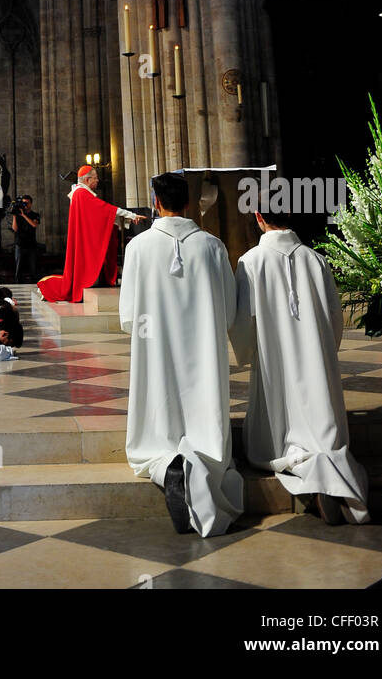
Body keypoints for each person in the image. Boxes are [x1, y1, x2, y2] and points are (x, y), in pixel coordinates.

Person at [119, 172, 243, 538]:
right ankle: (201, 452)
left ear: (157, 203)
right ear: (188, 204)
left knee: (158, 409)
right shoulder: (212, 245)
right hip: (203, 350)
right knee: (204, 408)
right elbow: (229, 311)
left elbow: (128, 316)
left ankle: (167, 461)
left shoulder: (138, 248)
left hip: (155, 347)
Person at [230, 209, 370, 526]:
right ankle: (329, 473)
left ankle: (309, 470)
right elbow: (335, 317)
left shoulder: (250, 262)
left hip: (273, 360)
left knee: (276, 432)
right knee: (323, 427)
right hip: (315, 361)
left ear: (258, 216)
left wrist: (249, 350)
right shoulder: (316, 260)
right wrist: (322, 351)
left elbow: (242, 323)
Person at [38, 165, 139, 303]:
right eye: (95, 178)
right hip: (84, 238)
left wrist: (123, 219)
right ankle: (49, 288)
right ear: (87, 179)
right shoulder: (81, 193)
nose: (98, 181)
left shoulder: (80, 193)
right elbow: (105, 210)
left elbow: (98, 214)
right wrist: (131, 215)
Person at [12, 195, 40, 283]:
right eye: (23, 203)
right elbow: (15, 229)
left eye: (27, 203)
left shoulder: (35, 215)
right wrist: (14, 217)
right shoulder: (18, 215)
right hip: (20, 243)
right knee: (18, 266)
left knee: (33, 266)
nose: (25, 205)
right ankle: (17, 282)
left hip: (31, 244)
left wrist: (24, 215)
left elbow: (34, 225)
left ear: (31, 204)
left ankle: (33, 283)